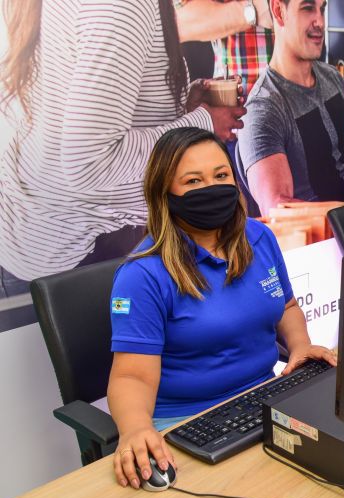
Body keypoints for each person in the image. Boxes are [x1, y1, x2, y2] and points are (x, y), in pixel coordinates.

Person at [108, 127, 335, 489]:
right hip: (189, 424)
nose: (211, 188)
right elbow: (130, 376)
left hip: (266, 400)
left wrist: (300, 345)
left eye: (220, 175)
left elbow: (287, 305)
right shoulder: (141, 276)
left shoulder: (258, 238)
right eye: (193, 180)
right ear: (165, 192)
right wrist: (135, 429)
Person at [0, 0, 246, 294]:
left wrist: (181, 106)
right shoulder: (122, 6)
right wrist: (201, 124)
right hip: (78, 263)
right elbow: (90, 162)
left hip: (44, 243)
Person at [238, 0, 344, 214]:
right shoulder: (263, 110)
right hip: (318, 240)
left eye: (322, 9)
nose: (320, 21)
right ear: (279, 11)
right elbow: (278, 207)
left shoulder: (332, 77)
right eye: (308, 8)